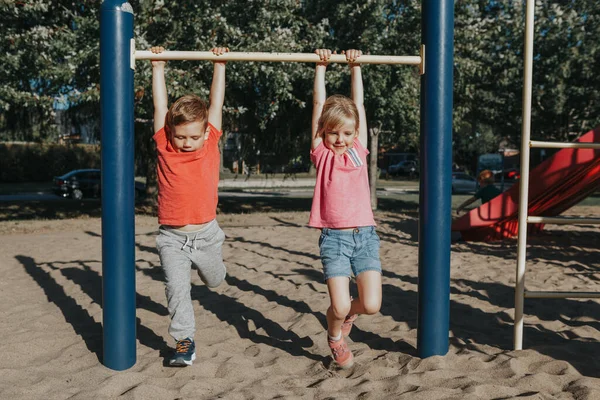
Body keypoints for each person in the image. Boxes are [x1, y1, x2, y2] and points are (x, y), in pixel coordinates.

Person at [149, 45, 228, 367]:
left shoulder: (209, 142)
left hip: (207, 234)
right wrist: (157, 67)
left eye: (193, 137)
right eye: (180, 136)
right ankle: (184, 341)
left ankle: (216, 270)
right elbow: (160, 104)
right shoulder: (164, 143)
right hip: (172, 238)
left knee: (215, 281)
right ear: (171, 132)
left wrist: (219, 64)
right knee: (176, 289)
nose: (186, 143)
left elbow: (216, 103)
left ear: (205, 132)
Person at [309, 48, 382, 369]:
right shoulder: (321, 153)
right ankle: (335, 337)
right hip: (334, 240)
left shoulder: (358, 150)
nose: (340, 139)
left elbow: (359, 107)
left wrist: (357, 68)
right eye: (333, 132)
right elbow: (317, 106)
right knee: (337, 307)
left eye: (347, 133)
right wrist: (320, 68)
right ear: (323, 131)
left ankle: (348, 315)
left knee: (371, 304)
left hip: (365, 236)